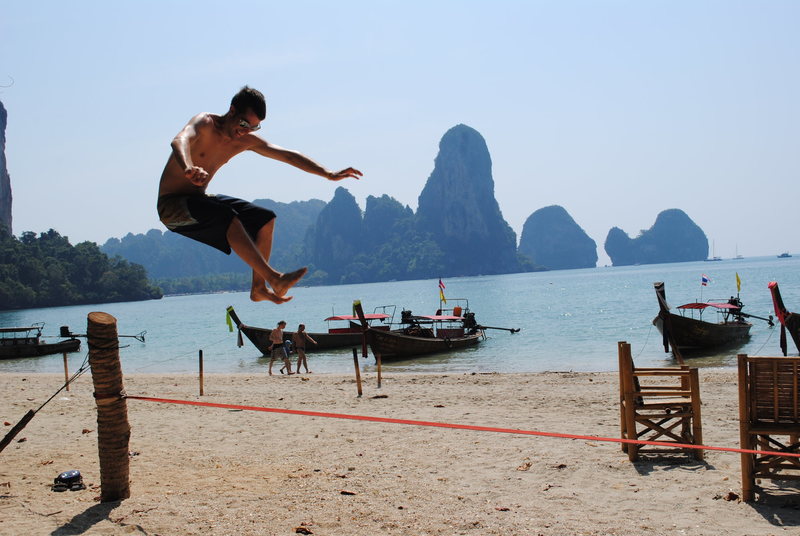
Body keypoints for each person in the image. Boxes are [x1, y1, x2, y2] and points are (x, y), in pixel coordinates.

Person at [157, 86, 362, 304]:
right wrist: (188, 167)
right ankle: (275, 278)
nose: (245, 131)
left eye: (254, 127)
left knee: (264, 219)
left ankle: (258, 289)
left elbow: (288, 155)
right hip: (171, 207)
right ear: (232, 110)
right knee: (228, 217)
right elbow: (179, 140)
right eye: (244, 123)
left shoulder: (244, 140)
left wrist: (328, 174)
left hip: (198, 201)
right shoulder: (205, 123)